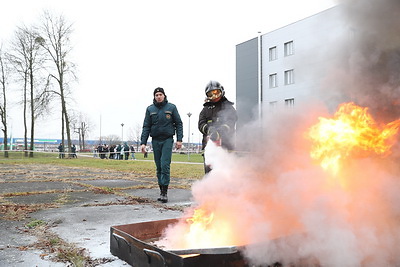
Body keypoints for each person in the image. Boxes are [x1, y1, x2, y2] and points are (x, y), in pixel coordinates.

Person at [140, 87, 183, 203]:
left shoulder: (171, 108)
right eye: (156, 95)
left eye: (160, 94)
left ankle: (165, 192)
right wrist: (143, 143)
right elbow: (146, 126)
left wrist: (180, 139)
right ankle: (161, 190)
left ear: (164, 96)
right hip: (155, 140)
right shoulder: (150, 109)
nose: (158, 96)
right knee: (158, 166)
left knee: (165, 165)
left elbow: (178, 123)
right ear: (154, 97)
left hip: (167, 140)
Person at [198, 80, 237, 173]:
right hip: (209, 148)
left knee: (225, 175)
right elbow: (200, 124)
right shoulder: (205, 109)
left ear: (222, 91)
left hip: (225, 148)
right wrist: (209, 130)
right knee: (209, 175)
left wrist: (219, 132)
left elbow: (230, 122)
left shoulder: (228, 107)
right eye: (210, 94)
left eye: (216, 93)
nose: (214, 96)